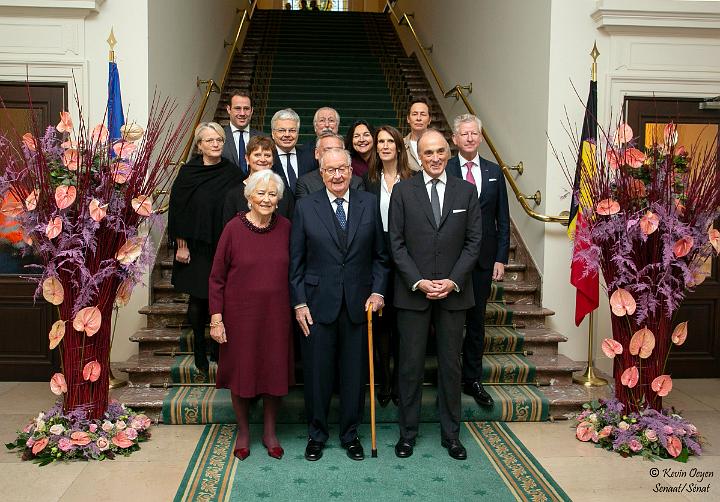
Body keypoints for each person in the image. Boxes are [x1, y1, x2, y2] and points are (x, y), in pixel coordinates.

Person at [389, 129, 482, 461]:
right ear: (419, 155)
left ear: (449, 151)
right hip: (413, 294)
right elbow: (395, 244)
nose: (435, 158)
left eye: (441, 151)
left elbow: (474, 243)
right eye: (428, 152)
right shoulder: (402, 191)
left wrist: (452, 281)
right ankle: (408, 434)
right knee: (410, 367)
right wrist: (419, 281)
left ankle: (451, 436)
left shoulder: (466, 191)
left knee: (450, 367)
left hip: (454, 295)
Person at [290, 148, 389, 462]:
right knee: (317, 375)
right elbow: (296, 263)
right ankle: (316, 435)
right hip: (317, 305)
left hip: (360, 306)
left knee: (353, 374)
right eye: (330, 170)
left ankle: (350, 434)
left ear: (351, 170)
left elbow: (381, 258)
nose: (336, 175)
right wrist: (299, 303)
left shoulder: (369, 204)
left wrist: (378, 293)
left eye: (342, 169)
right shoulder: (305, 206)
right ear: (321, 173)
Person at [209, 155, 293, 462]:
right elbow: (216, 277)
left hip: (277, 316)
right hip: (239, 316)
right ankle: (244, 432)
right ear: (249, 196)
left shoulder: (286, 227)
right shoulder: (233, 228)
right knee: (242, 373)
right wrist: (216, 319)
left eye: (273, 194)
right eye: (261, 193)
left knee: (274, 372)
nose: (267, 199)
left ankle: (270, 432)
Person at [168, 122, 244, 375]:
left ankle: (217, 348)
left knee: (221, 298)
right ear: (199, 145)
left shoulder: (232, 171)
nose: (215, 144)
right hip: (195, 246)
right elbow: (178, 209)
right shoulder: (188, 173)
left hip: (222, 244)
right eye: (210, 140)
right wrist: (181, 245)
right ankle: (199, 348)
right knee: (199, 298)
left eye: (219, 140)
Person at [447, 114, 509, 408]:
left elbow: (502, 219)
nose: (470, 138)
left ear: (480, 138)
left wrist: (501, 257)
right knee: (448, 321)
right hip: (451, 260)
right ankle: (448, 376)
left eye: (474, 134)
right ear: (455, 139)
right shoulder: (444, 169)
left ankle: (472, 379)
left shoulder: (494, 171)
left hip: (484, 260)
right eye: (464, 134)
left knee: (476, 322)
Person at [362, 125, 413, 407]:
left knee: (403, 325)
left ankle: (402, 382)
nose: (384, 146)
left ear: (398, 146)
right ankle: (384, 380)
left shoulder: (413, 179)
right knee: (381, 323)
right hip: (376, 258)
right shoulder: (367, 180)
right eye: (379, 141)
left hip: (406, 259)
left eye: (389, 141)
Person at [223, 135, 294, 223]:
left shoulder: (285, 192)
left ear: (273, 160)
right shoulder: (233, 194)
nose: (262, 159)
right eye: (257, 155)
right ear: (247, 159)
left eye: (267, 155)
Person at [295, 132, 364, 199]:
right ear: (317, 153)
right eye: (327, 150)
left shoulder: (356, 182)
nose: (333, 154)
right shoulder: (305, 183)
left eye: (337, 150)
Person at [271, 108, 316, 206]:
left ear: (297, 133)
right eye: (282, 130)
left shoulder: (310, 158)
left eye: (292, 130)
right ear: (273, 134)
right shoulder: (266, 160)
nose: (287, 135)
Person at [222, 90, 261, 174]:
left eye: (246, 108)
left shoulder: (263, 138)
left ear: (252, 110)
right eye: (237, 108)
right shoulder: (218, 137)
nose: (242, 113)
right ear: (228, 109)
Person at [403, 97, 432, 172]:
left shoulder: (441, 145)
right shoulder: (400, 146)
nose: (418, 118)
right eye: (414, 114)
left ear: (429, 120)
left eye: (423, 114)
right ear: (408, 119)